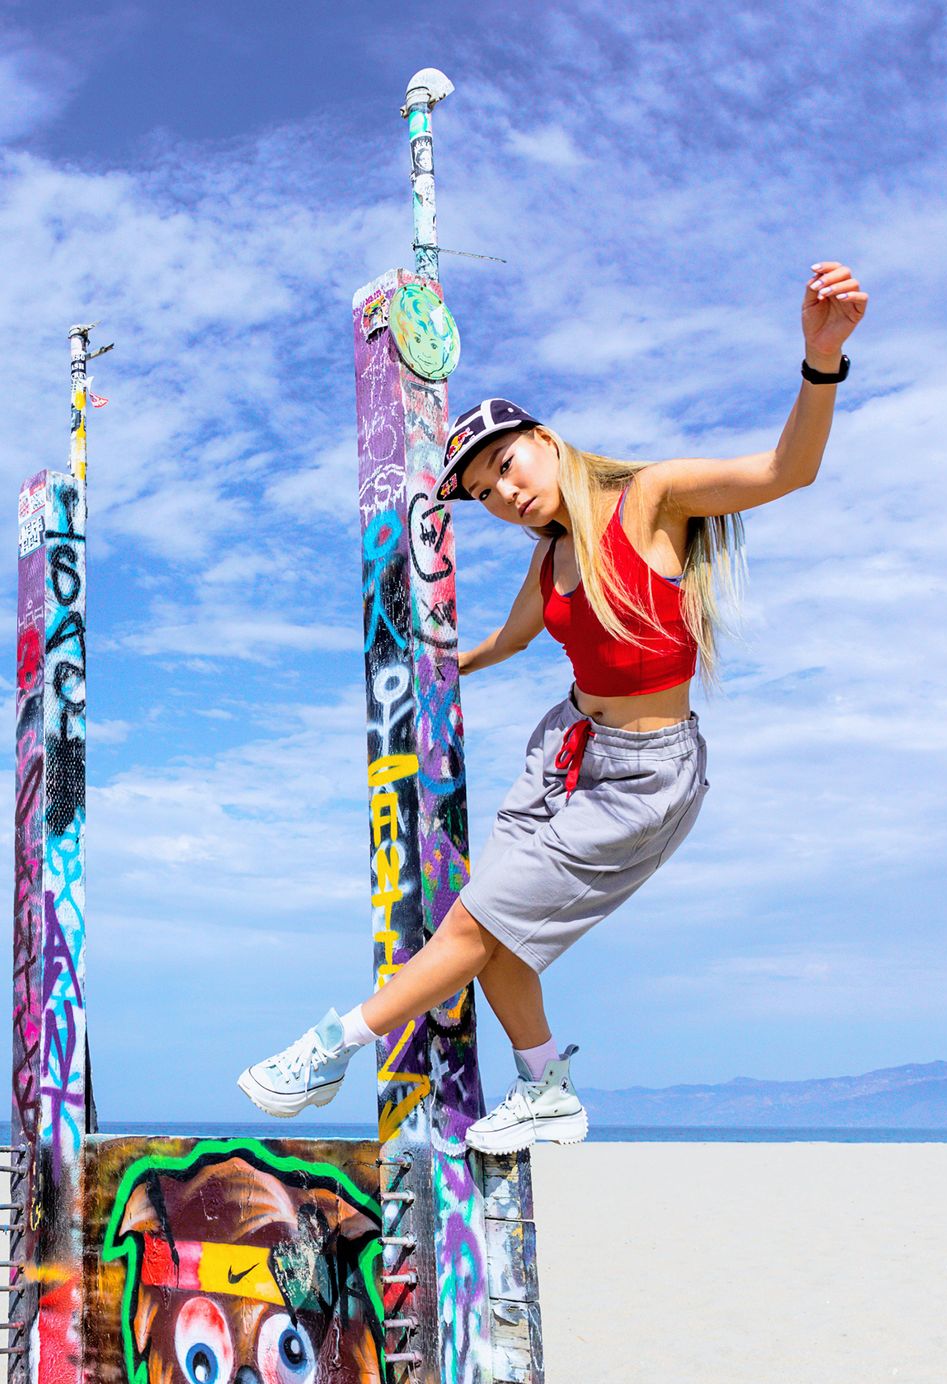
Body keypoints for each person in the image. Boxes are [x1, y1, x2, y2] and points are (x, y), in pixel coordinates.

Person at [239, 261, 868, 1153]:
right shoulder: (550, 560)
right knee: (496, 931)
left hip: (643, 776)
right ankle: (546, 1090)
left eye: (506, 465)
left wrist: (820, 362)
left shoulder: (648, 501)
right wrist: (419, 663)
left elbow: (787, 468)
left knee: (471, 924)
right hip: (566, 745)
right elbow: (509, 642)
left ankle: (331, 1047)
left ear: (544, 436)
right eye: (487, 494)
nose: (505, 493)